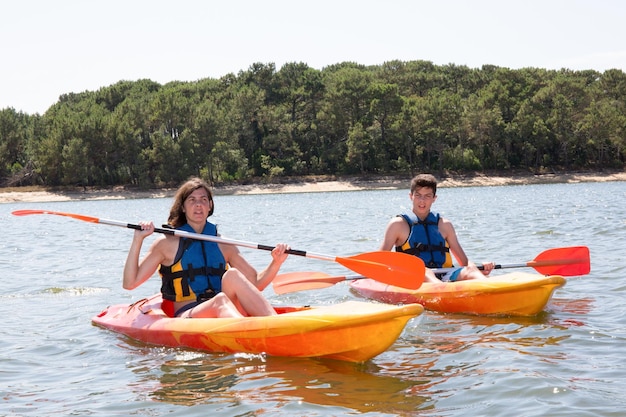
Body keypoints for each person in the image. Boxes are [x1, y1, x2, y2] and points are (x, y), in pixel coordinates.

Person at [123, 177, 290, 318]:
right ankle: (248, 332)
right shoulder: (166, 243)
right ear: (183, 207)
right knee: (220, 301)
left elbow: (255, 284)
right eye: (192, 200)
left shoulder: (224, 244)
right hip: (188, 315)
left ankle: (276, 325)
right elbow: (130, 283)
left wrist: (276, 262)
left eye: (203, 200)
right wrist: (138, 240)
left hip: (223, 312)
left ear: (210, 205)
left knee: (232, 275)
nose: (198, 205)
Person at [380, 173, 495, 283]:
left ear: (434, 198)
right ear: (411, 196)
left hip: (444, 274)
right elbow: (379, 262)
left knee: (470, 271)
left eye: (427, 196)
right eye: (418, 195)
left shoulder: (445, 225)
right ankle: (443, 291)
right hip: (414, 277)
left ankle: (492, 287)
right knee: (426, 272)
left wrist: (480, 268)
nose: (422, 201)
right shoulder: (398, 225)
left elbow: (464, 263)